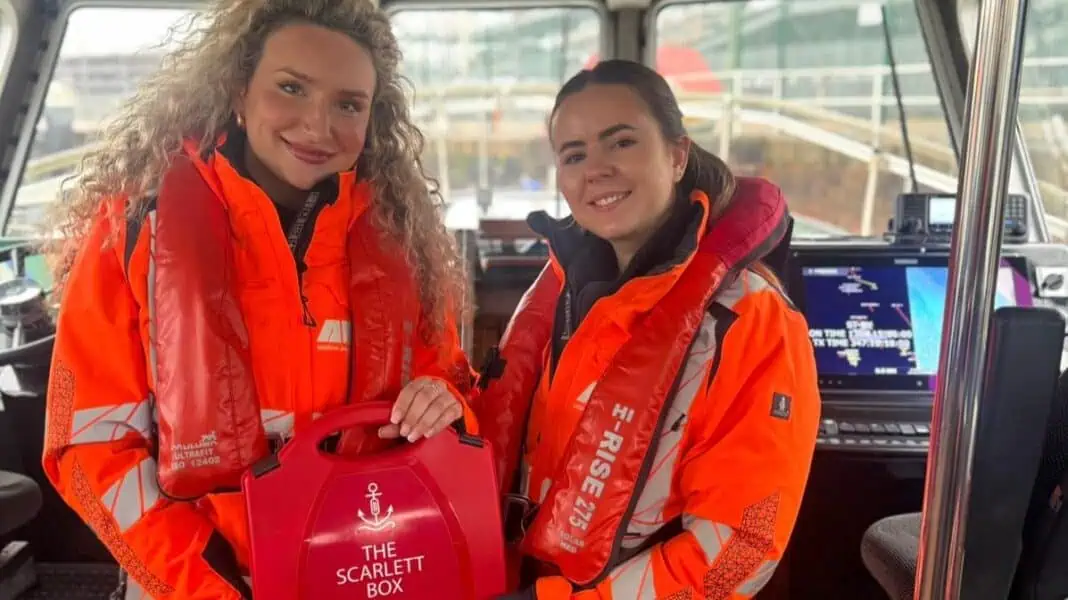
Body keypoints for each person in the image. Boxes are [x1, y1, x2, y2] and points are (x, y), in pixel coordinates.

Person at [40, 1, 475, 599]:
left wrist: (445, 401)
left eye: (349, 104)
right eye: (291, 88)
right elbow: (90, 446)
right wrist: (210, 587)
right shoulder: (136, 226)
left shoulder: (401, 235)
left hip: (370, 570)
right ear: (239, 91)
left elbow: (451, 386)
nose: (318, 125)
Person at [477, 60, 821, 599]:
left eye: (621, 143)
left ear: (678, 155)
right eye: (574, 155)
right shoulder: (566, 295)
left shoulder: (752, 320)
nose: (596, 170)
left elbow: (740, 548)